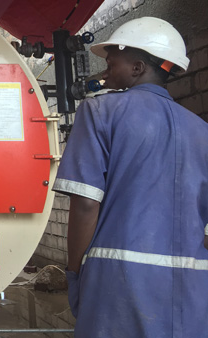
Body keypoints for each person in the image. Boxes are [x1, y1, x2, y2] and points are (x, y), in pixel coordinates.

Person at [53, 17, 208, 337]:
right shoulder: (202, 131)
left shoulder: (98, 113)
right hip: (193, 286)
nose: (105, 69)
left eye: (112, 62)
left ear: (138, 67)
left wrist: (75, 271)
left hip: (118, 281)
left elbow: (85, 204)